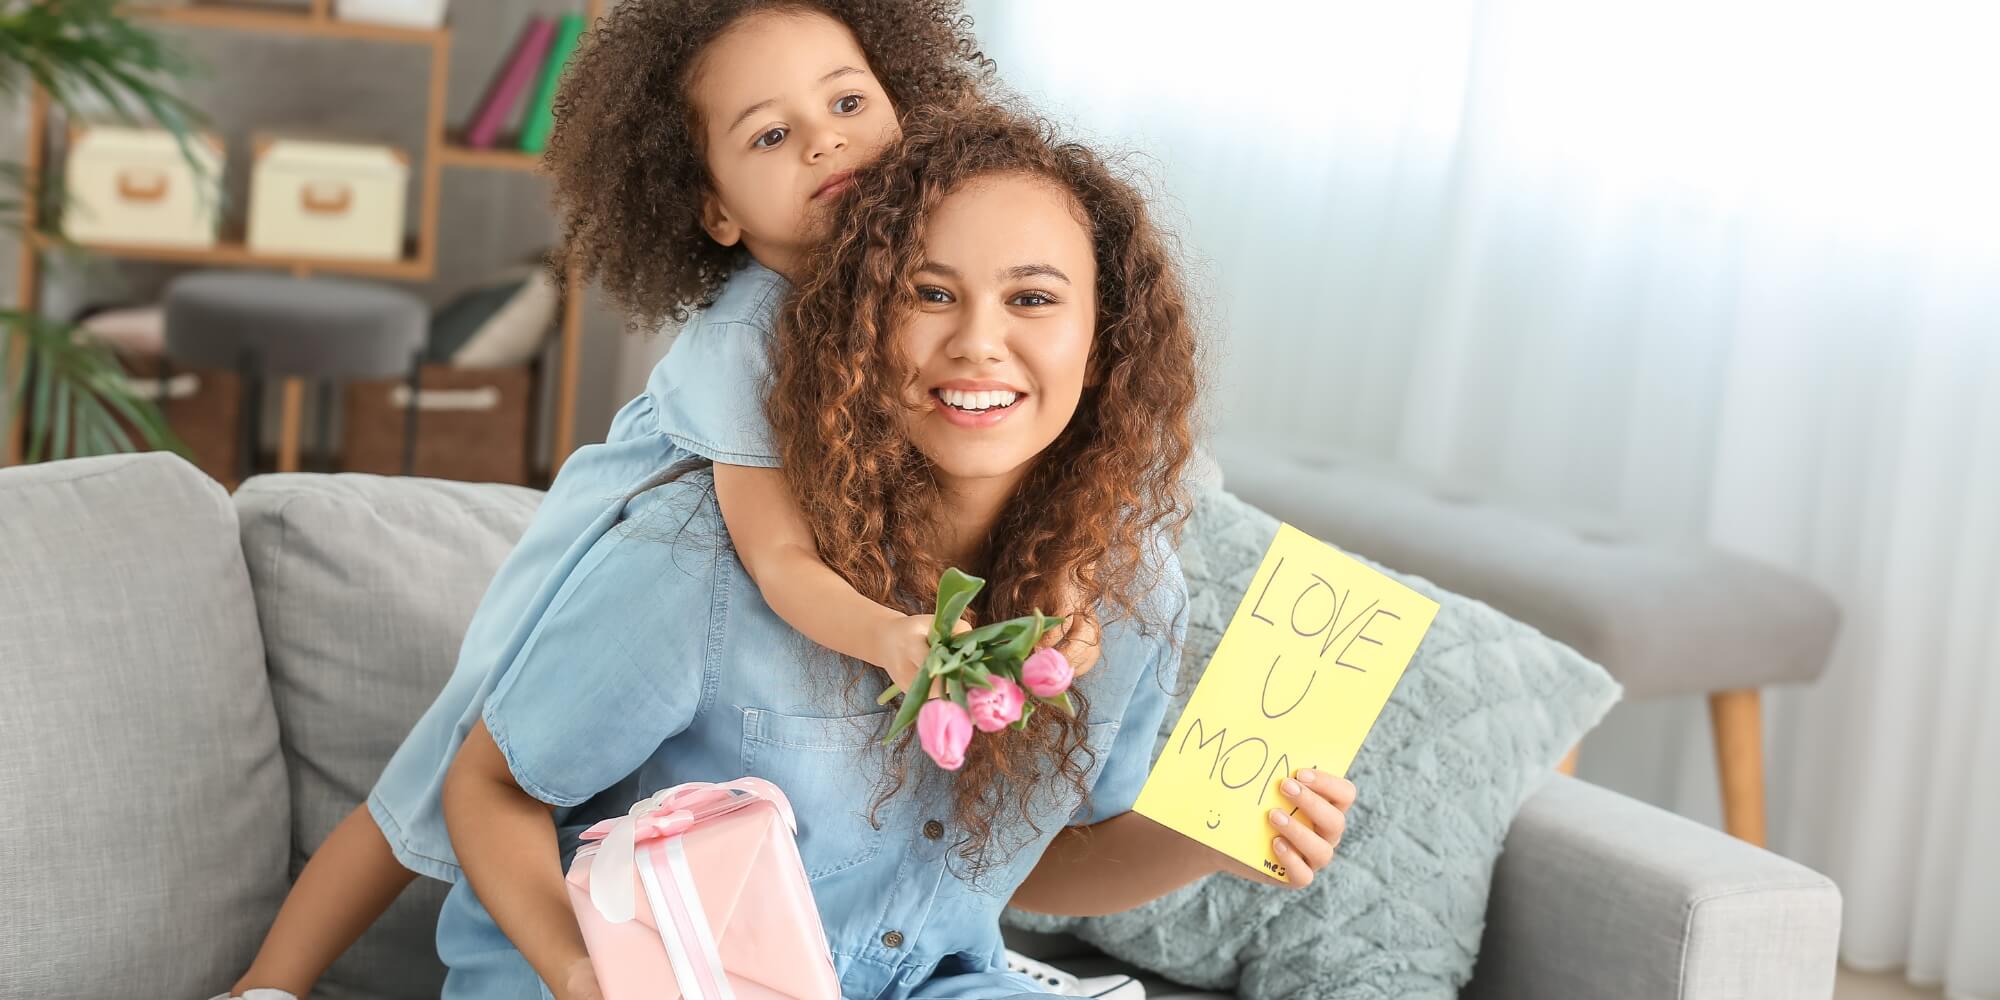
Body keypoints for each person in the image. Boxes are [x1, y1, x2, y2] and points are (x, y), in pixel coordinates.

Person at [434, 102, 1359, 1000]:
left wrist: (1225, 834)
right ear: (860, 321)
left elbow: (1034, 869)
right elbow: (488, 787)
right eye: (929, 293)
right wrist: (575, 973)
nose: (978, 344)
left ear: (1104, 335)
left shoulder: (1131, 590)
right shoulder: (703, 556)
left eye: (1033, 298)